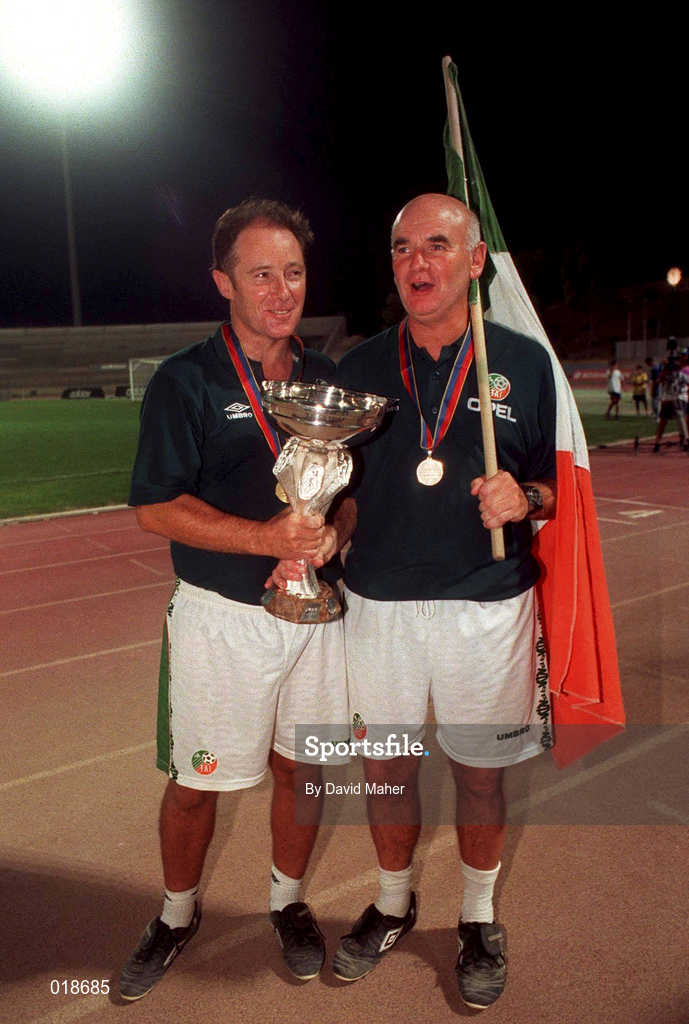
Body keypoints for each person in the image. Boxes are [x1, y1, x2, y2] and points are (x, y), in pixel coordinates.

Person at [270, 193, 557, 1009]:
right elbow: (347, 492)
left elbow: (553, 487)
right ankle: (393, 903)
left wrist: (525, 497)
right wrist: (328, 532)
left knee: (478, 774)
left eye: (436, 245)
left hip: (485, 606)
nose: (417, 263)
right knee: (387, 767)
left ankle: (477, 917)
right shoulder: (358, 368)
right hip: (381, 606)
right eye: (402, 248)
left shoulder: (523, 361)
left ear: (475, 261)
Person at [119, 198, 349, 1000]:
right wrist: (265, 541)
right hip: (222, 619)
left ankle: (287, 902)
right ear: (223, 282)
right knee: (197, 782)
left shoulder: (327, 380)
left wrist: (332, 534)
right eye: (261, 275)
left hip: (314, 616)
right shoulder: (187, 379)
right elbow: (155, 507)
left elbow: (348, 494)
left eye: (293, 272)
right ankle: (176, 914)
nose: (282, 291)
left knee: (303, 769)